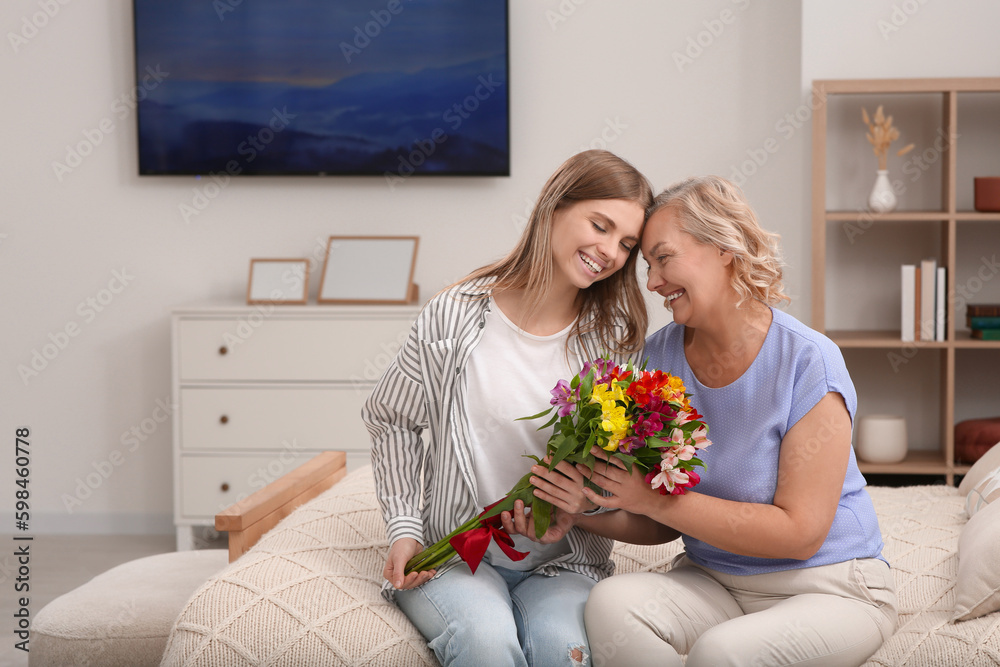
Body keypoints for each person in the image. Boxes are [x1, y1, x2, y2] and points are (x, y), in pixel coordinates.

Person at [510, 175, 897, 666]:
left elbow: (800, 533)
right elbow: (662, 521)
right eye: (647, 265)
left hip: (828, 587)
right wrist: (589, 509)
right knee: (611, 604)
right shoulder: (659, 357)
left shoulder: (807, 362)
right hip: (712, 580)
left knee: (719, 653)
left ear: (723, 247)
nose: (651, 282)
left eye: (664, 258)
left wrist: (653, 500)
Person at [362, 149, 654, 666]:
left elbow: (619, 472)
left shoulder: (612, 345)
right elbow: (393, 419)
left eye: (627, 243)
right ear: (553, 208)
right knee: (485, 642)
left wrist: (579, 507)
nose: (609, 251)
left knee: (564, 652)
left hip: (563, 562)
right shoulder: (456, 313)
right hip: (454, 555)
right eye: (600, 225)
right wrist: (404, 527)